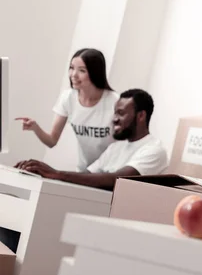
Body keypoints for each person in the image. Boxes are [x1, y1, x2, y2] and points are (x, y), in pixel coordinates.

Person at [14, 89, 168, 190]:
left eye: (120, 113)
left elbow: (118, 180)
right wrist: (43, 172)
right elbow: (88, 174)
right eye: (114, 113)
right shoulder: (116, 147)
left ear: (141, 116)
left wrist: (56, 174)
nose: (114, 119)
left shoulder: (154, 150)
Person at [16, 48, 119, 171]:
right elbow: (52, 141)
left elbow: (123, 146)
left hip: (111, 171)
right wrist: (35, 127)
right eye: (71, 68)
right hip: (84, 171)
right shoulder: (68, 98)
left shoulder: (115, 102)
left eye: (82, 70)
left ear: (95, 72)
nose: (73, 75)